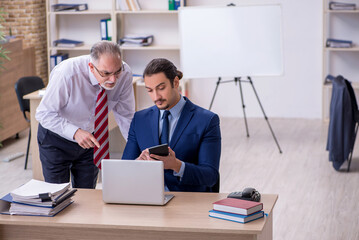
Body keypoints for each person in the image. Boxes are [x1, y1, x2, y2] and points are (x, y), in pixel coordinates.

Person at [36, 41, 135, 188]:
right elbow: (44, 114)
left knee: (87, 195)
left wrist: (137, 147)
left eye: (117, 72)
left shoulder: (125, 74)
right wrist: (75, 132)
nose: (113, 79)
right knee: (57, 195)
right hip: (56, 140)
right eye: (106, 73)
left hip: (91, 140)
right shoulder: (67, 73)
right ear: (91, 67)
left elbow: (126, 116)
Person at [122, 58, 221, 192]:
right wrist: (138, 164)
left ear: (175, 82)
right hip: (147, 197)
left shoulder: (207, 120)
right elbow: (124, 169)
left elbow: (210, 176)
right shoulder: (139, 119)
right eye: (150, 90)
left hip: (187, 201)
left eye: (161, 88)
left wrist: (177, 166)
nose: (156, 96)